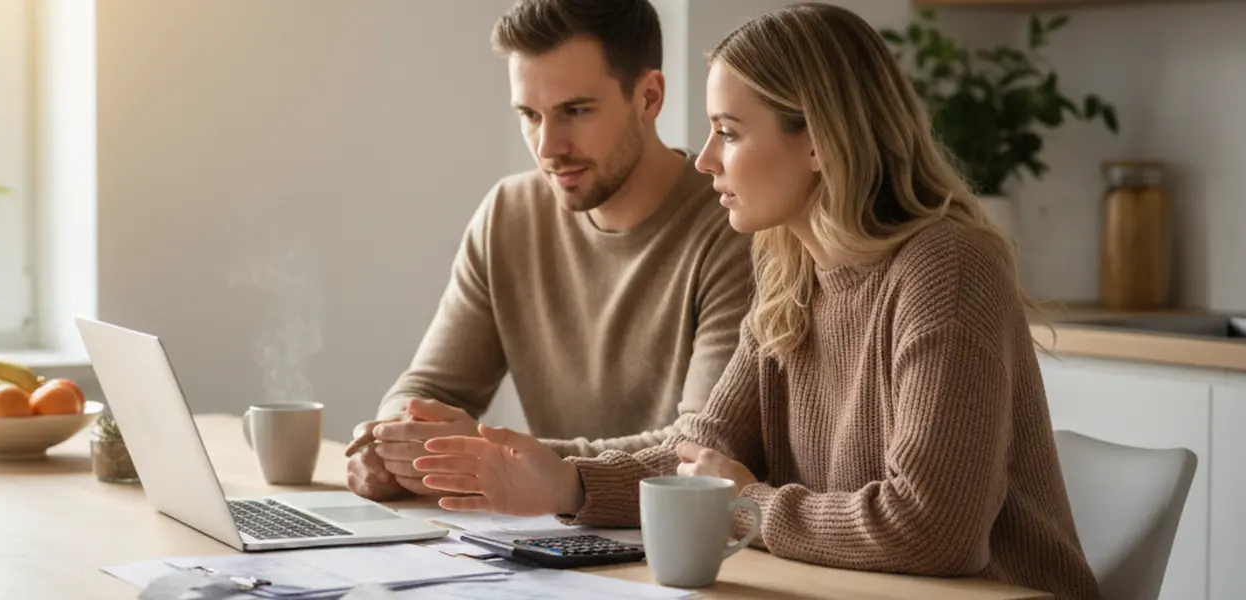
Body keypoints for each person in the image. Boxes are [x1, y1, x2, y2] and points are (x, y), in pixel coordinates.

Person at [411, 3, 1102, 599]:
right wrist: (565, 482)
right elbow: (699, 454)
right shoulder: (791, 273)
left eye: (730, 131)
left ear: (819, 143)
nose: (706, 158)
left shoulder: (945, 268)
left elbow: (933, 530)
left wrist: (748, 506)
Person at [345, 0, 754, 501]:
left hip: (678, 536)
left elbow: (697, 451)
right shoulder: (509, 214)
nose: (547, 147)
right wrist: (392, 442)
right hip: (546, 531)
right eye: (529, 115)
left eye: (575, 111)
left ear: (648, 97)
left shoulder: (735, 226)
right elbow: (430, 389)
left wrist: (499, 461)